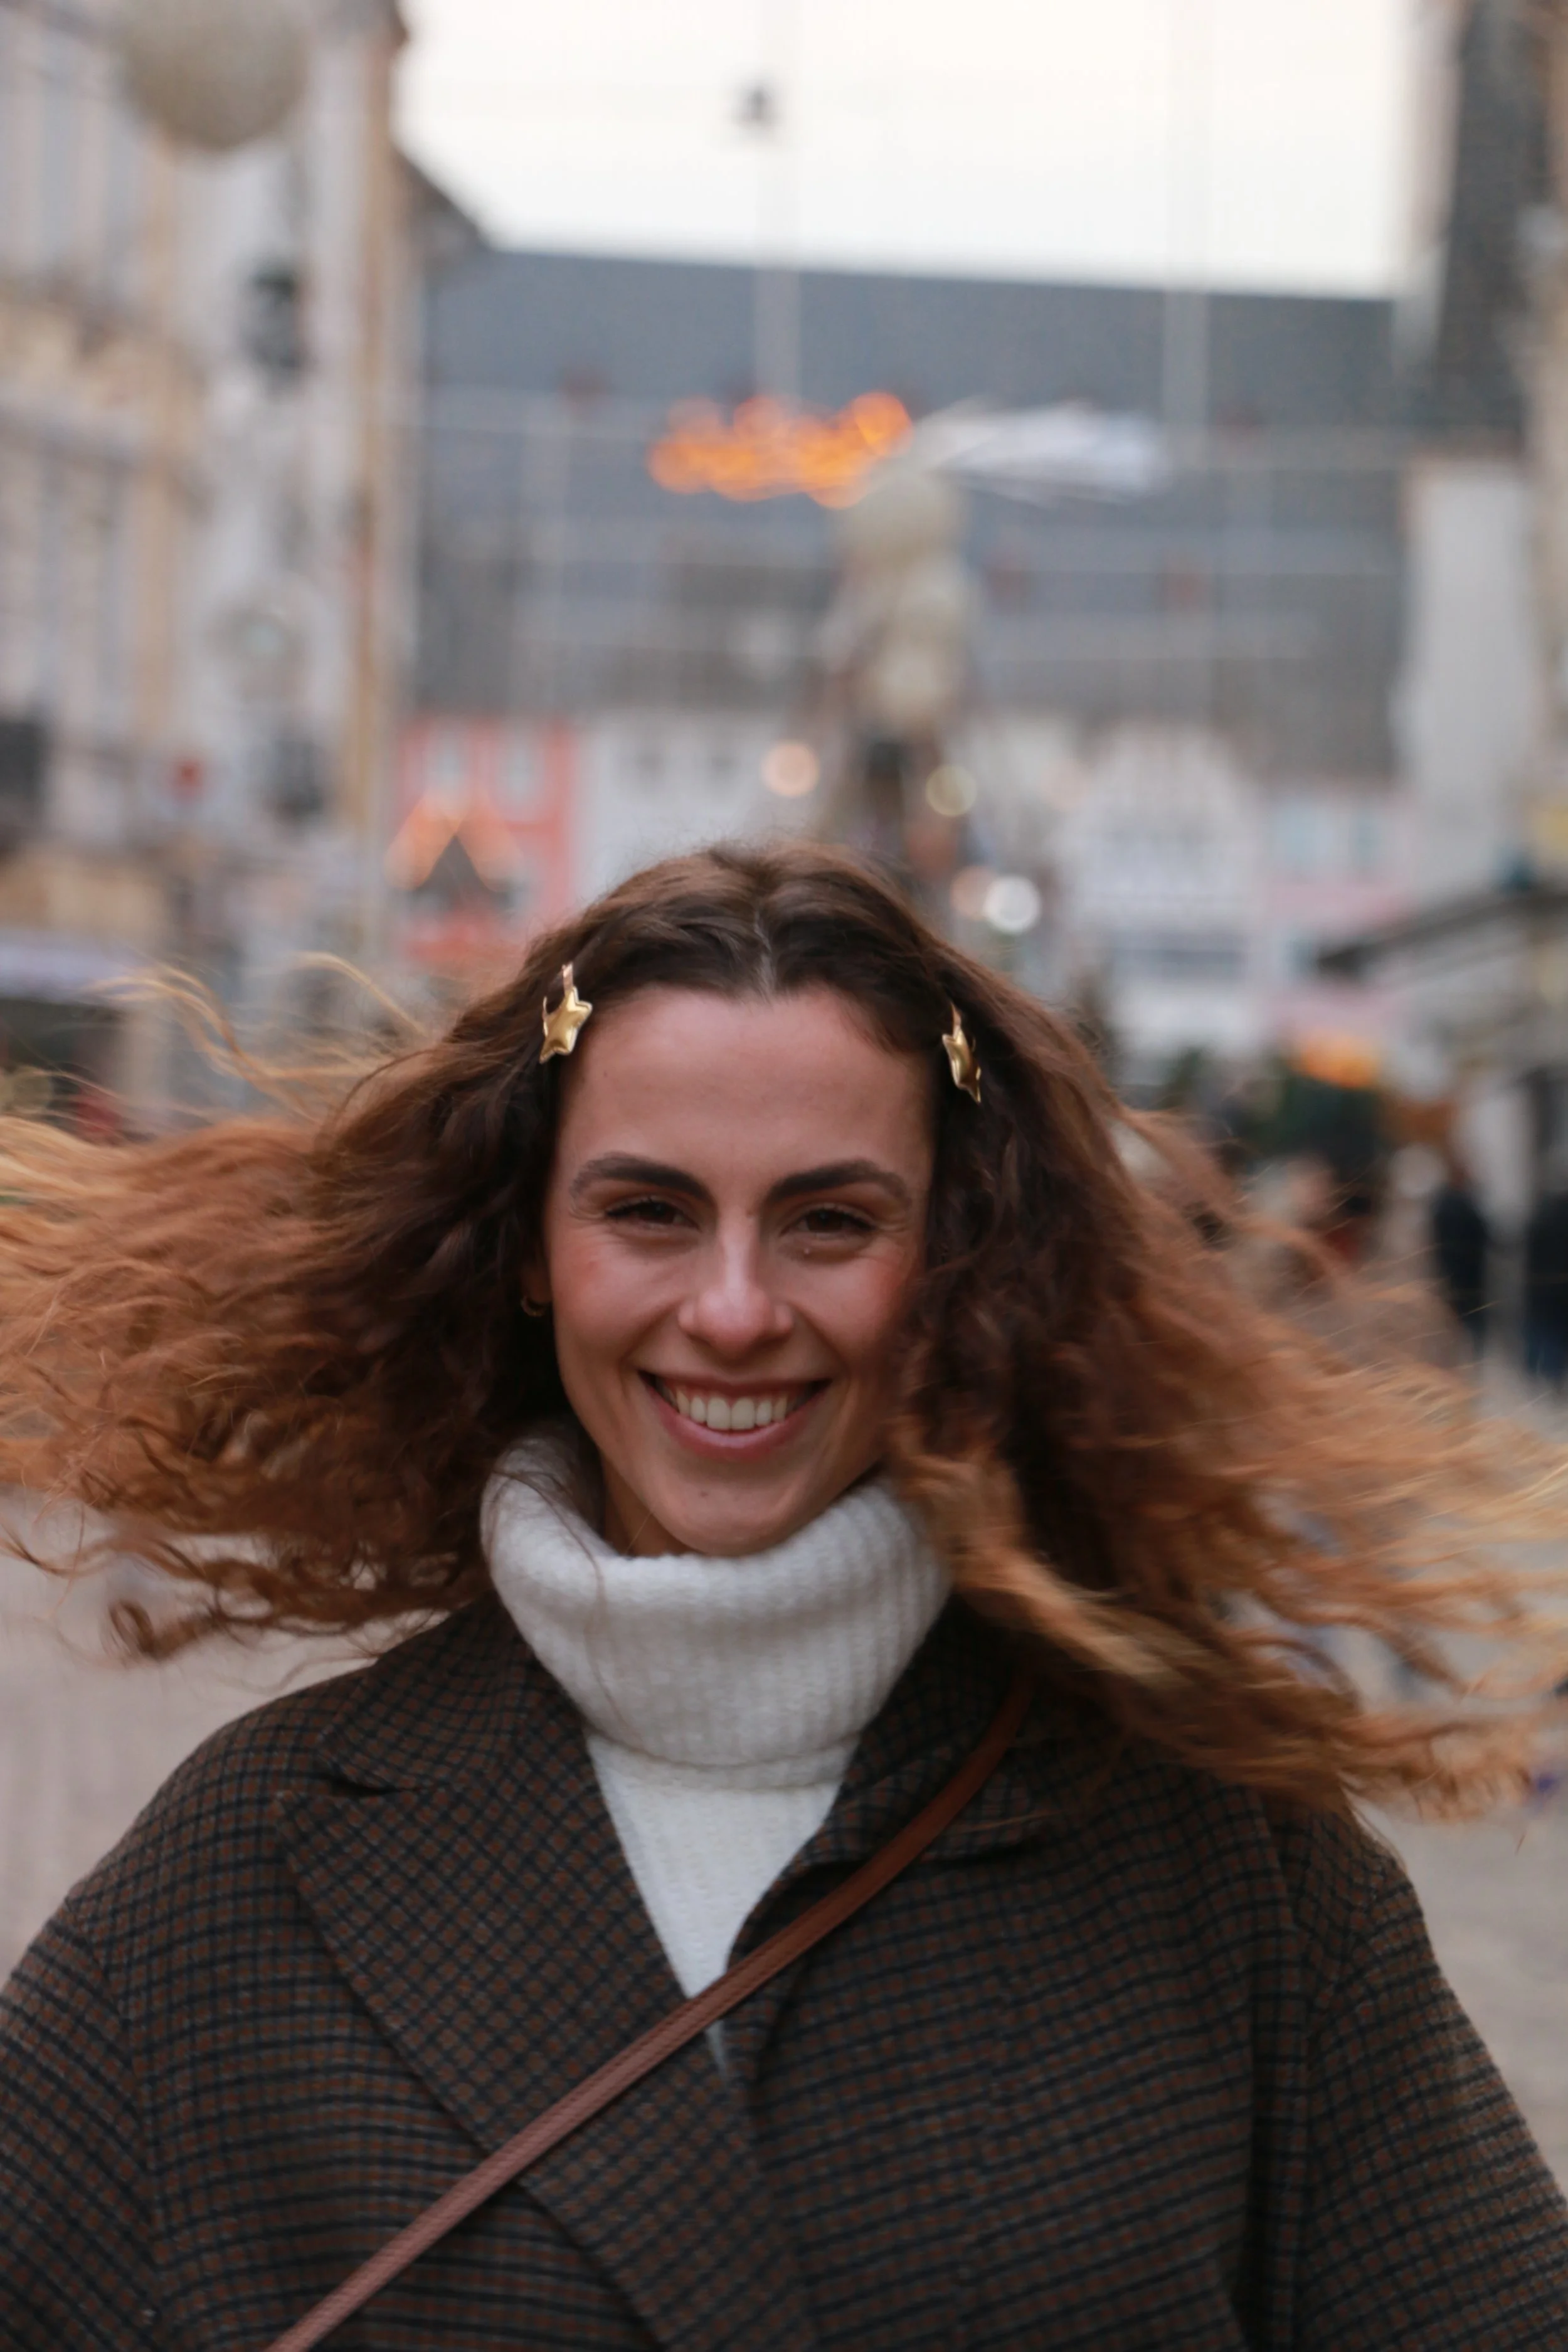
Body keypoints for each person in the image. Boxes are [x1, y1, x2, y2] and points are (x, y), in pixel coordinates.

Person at [1, 841, 1565, 2351]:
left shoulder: (1232, 1868)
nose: (736, 1309)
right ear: (532, 1248)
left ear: (950, 1255)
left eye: (830, 1220)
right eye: (648, 1210)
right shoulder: (249, 1864)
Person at [1429, 1152, 1492, 1357]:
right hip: (1469, 1274)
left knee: (1454, 1322)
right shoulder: (1467, 1204)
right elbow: (1485, 1234)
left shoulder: (1442, 1203)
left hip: (1451, 1272)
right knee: (1472, 1323)